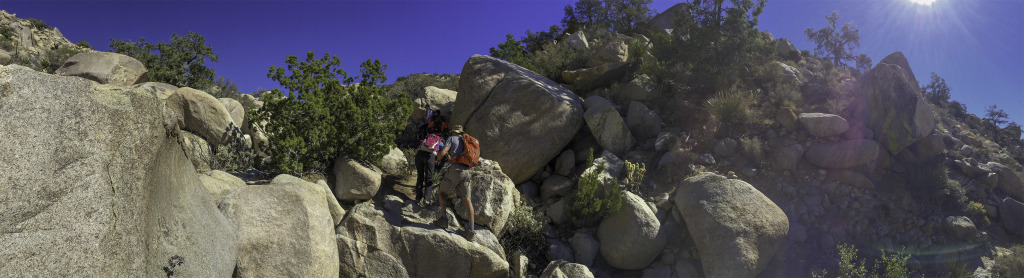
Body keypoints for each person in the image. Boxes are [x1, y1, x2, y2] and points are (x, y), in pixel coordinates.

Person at [432, 125, 475, 239]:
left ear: (454, 132)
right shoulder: (468, 141)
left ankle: (444, 219)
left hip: (455, 170)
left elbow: (444, 151)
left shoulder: (452, 139)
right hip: (467, 171)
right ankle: (471, 230)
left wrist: (437, 160)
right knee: (467, 200)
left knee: (442, 192)